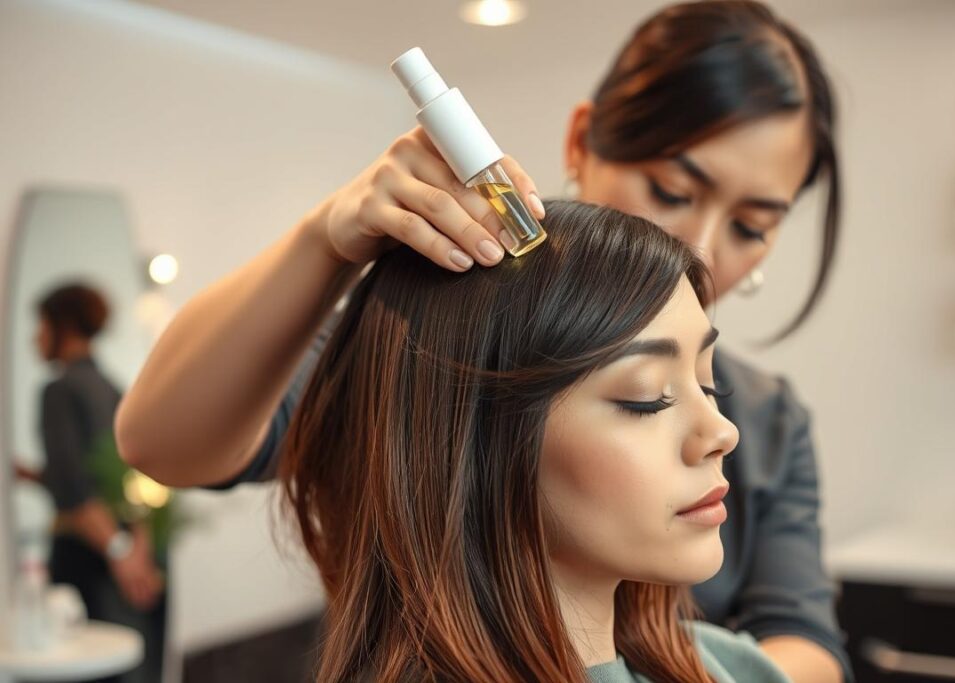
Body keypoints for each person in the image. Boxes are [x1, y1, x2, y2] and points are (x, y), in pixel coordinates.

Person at [116, 2, 848, 680]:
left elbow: (806, 642)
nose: (701, 244)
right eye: (671, 191)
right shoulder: (436, 350)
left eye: (752, 226)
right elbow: (163, 441)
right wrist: (324, 241)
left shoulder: (767, 425)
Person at [282, 200, 788, 682]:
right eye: (647, 397)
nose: (723, 432)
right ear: (479, 441)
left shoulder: (727, 667)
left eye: (707, 382)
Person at [36, 283, 167, 683]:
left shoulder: (58, 391)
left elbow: (74, 488)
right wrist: (136, 548)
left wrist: (119, 553)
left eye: (40, 325)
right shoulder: (112, 388)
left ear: (64, 326)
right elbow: (136, 481)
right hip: (122, 550)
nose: (36, 337)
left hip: (86, 555)